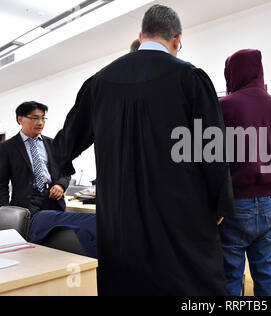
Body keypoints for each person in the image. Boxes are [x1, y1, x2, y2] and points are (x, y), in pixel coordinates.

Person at [51, 4, 234, 296]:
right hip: (180, 222)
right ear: (177, 40)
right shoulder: (190, 78)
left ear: (140, 35)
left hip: (120, 224)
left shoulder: (98, 83)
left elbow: (62, 148)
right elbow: (212, 151)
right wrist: (220, 204)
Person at [219, 49, 271, 296]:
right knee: (267, 278)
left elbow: (212, 162)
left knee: (230, 277)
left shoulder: (223, 107)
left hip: (235, 205)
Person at [0, 101, 97, 258]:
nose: (40, 123)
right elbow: (1, 184)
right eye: (35, 118)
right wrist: (5, 213)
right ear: (20, 119)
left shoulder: (53, 144)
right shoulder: (7, 148)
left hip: (53, 198)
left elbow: (66, 171)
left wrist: (61, 184)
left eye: (43, 118)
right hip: (26, 204)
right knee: (31, 247)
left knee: (58, 241)